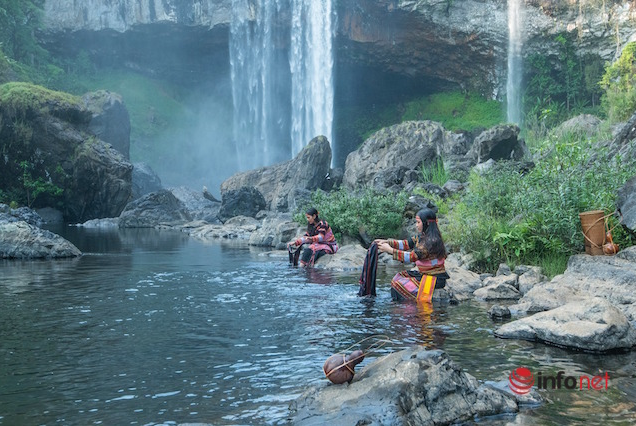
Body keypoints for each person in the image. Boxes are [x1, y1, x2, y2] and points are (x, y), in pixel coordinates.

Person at [375, 208, 449, 302]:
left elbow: (411, 257)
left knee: (398, 284)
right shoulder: (422, 237)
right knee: (399, 277)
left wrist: (389, 250)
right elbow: (406, 243)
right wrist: (387, 242)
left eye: (418, 222)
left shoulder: (432, 241)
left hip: (434, 278)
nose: (416, 225)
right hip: (425, 274)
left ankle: (405, 307)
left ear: (427, 223)